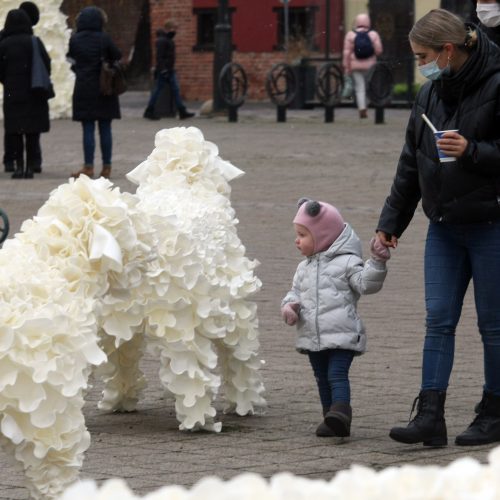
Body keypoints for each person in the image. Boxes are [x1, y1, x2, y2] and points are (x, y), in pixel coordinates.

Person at [375, 8, 500, 447]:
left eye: (423, 55)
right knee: (438, 319)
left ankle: (494, 411)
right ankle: (430, 414)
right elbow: (411, 162)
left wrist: (473, 151)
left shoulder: (498, 80)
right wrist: (391, 223)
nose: (420, 64)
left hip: (491, 224)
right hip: (444, 225)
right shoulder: (431, 92)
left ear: (448, 50)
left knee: (494, 325)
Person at [281, 198, 389, 438]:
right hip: (312, 336)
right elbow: (294, 293)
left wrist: (378, 262)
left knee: (336, 375)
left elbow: (366, 284)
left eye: (302, 235)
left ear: (323, 236)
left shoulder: (347, 262)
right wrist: (289, 307)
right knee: (321, 378)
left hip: (342, 334)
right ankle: (330, 419)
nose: (297, 240)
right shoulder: (303, 268)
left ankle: (341, 413)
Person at [67, 6, 122, 179]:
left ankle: (88, 166)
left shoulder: (75, 39)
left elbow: (71, 59)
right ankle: (107, 167)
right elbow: (117, 55)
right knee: (105, 128)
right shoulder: (104, 38)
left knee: (88, 128)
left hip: (84, 88)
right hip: (104, 87)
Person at [0, 8, 51, 179]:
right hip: (33, 92)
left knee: (15, 131)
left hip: (13, 93)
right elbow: (46, 64)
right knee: (31, 131)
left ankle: (18, 166)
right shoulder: (34, 41)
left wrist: (7, 80)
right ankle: (31, 166)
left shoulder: (4, 44)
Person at [143, 20, 195, 120]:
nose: (175, 31)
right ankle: (150, 110)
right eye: (173, 28)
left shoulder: (166, 40)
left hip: (168, 69)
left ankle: (181, 110)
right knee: (160, 90)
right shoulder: (163, 41)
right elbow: (160, 57)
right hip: (165, 70)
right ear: (168, 28)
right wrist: (163, 70)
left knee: (173, 90)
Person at [342, 13, 383, 119]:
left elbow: (346, 53)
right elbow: (379, 50)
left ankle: (362, 108)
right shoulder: (373, 34)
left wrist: (346, 67)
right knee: (368, 86)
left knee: (359, 88)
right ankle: (367, 105)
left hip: (355, 66)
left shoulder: (350, 35)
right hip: (370, 65)